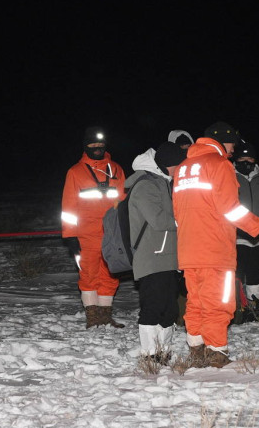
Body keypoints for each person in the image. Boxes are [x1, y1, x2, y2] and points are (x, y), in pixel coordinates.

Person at [172, 121, 259, 368]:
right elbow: (230, 209)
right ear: (221, 141)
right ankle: (216, 351)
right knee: (218, 301)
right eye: (231, 144)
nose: (233, 150)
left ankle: (196, 348)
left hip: (188, 248)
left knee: (195, 300)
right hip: (214, 248)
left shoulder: (184, 168)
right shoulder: (220, 164)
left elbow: (177, 212)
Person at [126, 141, 187, 364]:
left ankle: (164, 351)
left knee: (169, 309)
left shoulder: (164, 183)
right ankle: (150, 355)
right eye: (177, 166)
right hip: (151, 257)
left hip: (168, 257)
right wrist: (187, 220)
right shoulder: (146, 185)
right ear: (166, 165)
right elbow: (159, 221)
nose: (181, 171)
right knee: (153, 307)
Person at [61, 126, 127, 328]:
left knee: (110, 275)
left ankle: (105, 316)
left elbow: (123, 202)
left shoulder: (116, 169)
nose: (97, 148)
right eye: (92, 144)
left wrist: (126, 229)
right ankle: (93, 316)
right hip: (85, 235)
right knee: (88, 275)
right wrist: (70, 236)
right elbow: (68, 207)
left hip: (112, 235)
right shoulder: (75, 172)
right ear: (85, 145)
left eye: (100, 144)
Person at [232, 141, 259, 322]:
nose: (247, 162)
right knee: (236, 275)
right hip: (236, 237)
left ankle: (254, 307)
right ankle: (236, 309)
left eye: (250, 159)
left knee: (256, 274)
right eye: (242, 159)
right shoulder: (230, 178)